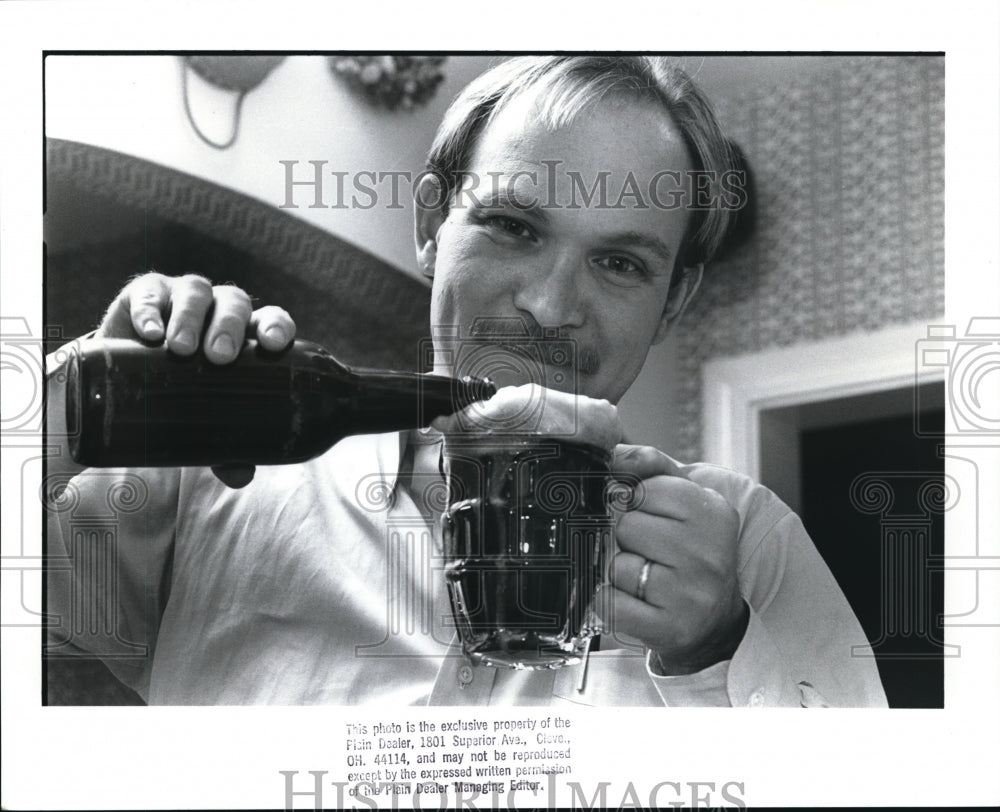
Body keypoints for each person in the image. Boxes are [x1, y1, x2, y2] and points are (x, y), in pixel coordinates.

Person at [45, 55, 887, 706]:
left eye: (621, 262)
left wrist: (716, 650)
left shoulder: (752, 548)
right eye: (513, 226)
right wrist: (60, 412)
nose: (552, 306)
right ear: (428, 225)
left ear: (672, 305)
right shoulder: (202, 487)